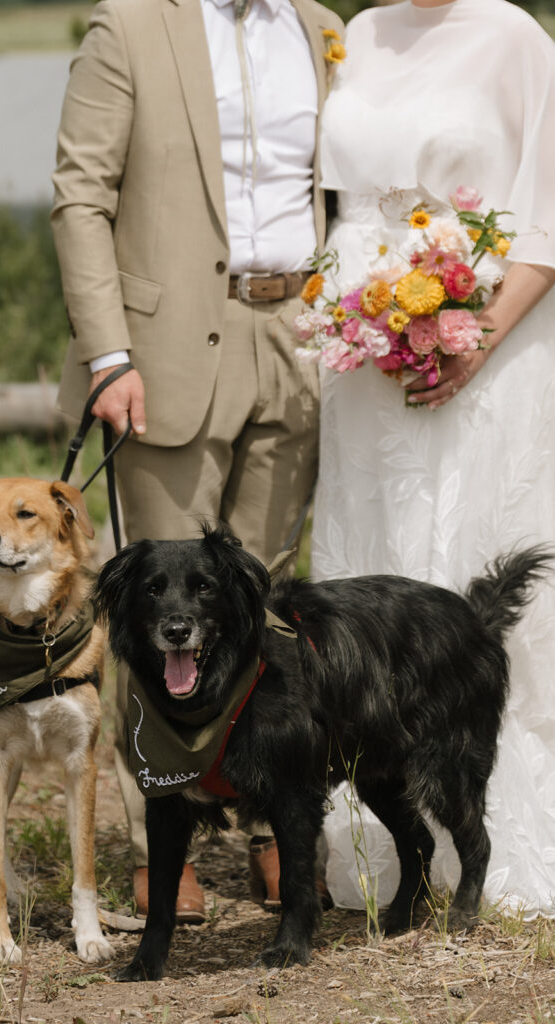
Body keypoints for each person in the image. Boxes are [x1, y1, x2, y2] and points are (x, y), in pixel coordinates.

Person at [51, 0, 344, 920]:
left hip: (299, 341)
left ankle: (269, 828)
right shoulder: (131, 25)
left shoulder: (319, 26)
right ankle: (158, 849)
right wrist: (108, 355)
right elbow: (80, 194)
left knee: (265, 609)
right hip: (160, 354)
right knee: (160, 609)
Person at [311, 0, 555, 918]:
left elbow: (547, 214)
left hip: (483, 336)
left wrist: (476, 333)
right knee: (376, 562)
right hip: (361, 355)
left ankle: (499, 837)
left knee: (472, 555)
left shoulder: (515, 36)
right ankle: (385, 842)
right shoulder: (357, 31)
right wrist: (355, 311)